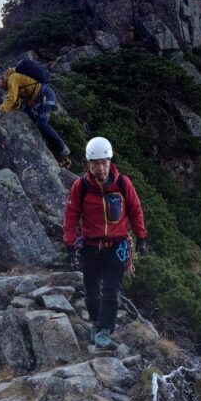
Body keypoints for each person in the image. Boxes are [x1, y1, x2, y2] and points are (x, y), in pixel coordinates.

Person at [62, 136, 147, 349]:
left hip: (117, 246)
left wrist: (141, 237)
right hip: (91, 246)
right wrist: (70, 244)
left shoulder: (122, 183)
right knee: (91, 291)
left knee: (111, 290)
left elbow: (136, 210)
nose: (101, 168)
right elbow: (71, 215)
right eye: (95, 164)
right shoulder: (80, 186)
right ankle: (95, 322)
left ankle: (105, 329)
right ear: (88, 164)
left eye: (104, 163)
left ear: (110, 161)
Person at [0, 66, 71, 166]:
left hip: (45, 96)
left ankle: (62, 148)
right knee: (36, 124)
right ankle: (60, 156)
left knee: (41, 124)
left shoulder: (13, 78)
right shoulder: (9, 83)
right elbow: (16, 102)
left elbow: (11, 98)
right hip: (39, 99)